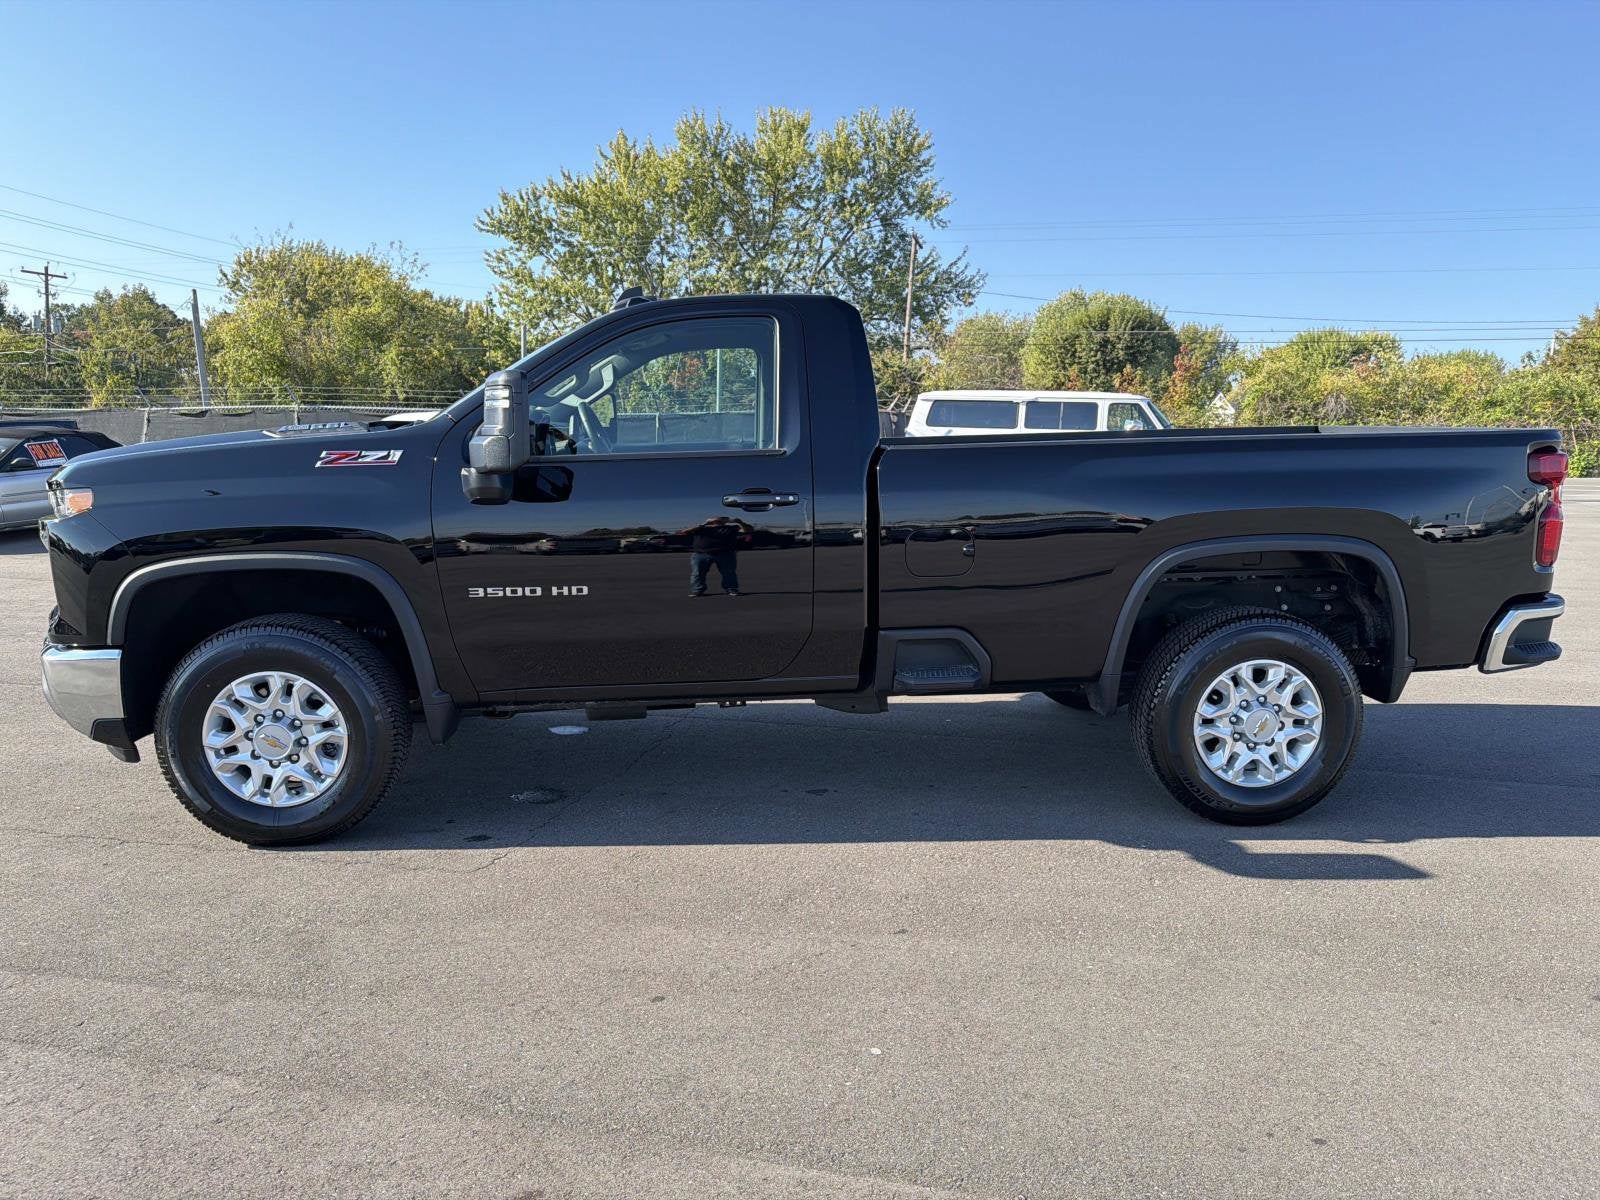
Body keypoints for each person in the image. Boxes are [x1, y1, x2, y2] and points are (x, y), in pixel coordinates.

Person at [680, 515, 748, 596]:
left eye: (721, 520)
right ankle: (697, 590)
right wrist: (703, 524)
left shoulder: (731, 528)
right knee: (697, 573)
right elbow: (684, 532)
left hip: (725, 554)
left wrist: (740, 522)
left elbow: (747, 531)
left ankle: (732, 589)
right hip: (701, 554)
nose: (718, 522)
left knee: (729, 573)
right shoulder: (702, 528)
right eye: (716, 520)